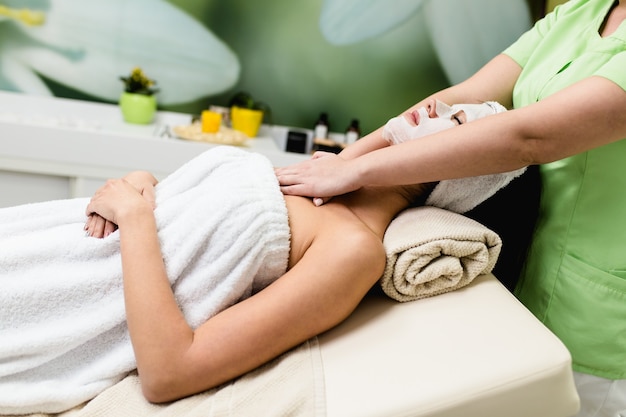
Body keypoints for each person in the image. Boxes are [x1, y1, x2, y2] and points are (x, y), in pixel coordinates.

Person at [0, 101, 503, 414]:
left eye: (455, 120)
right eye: (444, 104)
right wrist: (143, 184)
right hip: (49, 237)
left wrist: (134, 219)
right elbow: (188, 223)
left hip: (56, 298)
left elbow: (170, 372)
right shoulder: (313, 178)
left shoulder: (353, 250)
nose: (432, 108)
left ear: (464, 174)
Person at [276, 0, 626, 415]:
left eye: (459, 124)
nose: (432, 120)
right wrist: (339, 163)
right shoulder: (582, 12)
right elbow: (464, 95)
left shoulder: (356, 250)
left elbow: (530, 137)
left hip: (595, 317)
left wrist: (358, 170)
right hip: (512, 287)